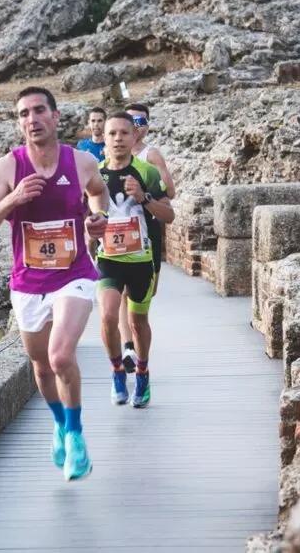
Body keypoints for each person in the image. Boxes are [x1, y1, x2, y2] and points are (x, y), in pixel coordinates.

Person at [0, 86, 109, 481]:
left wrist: (96, 220)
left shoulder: (80, 161)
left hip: (74, 274)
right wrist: (12, 200)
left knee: (60, 356)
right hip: (28, 281)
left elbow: (99, 194)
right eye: (23, 114)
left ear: (55, 115)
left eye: (38, 111)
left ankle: (78, 435)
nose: (31, 120)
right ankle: (60, 423)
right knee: (40, 365)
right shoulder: (8, 168)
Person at [96, 112, 174, 408]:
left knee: (138, 322)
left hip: (142, 260)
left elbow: (168, 215)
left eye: (124, 133)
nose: (118, 139)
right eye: (112, 133)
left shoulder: (147, 172)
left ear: (134, 137)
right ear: (104, 137)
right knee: (107, 314)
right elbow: (83, 214)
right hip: (108, 258)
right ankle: (117, 371)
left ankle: (142, 372)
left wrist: (143, 198)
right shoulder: (96, 175)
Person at [118, 103, 176, 372]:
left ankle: (137, 339)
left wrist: (147, 187)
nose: (134, 125)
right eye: (129, 120)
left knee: (142, 296)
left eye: (139, 120)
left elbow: (170, 193)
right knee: (118, 291)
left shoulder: (151, 155)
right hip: (118, 233)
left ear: (146, 125)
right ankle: (127, 347)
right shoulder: (111, 156)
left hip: (148, 230)